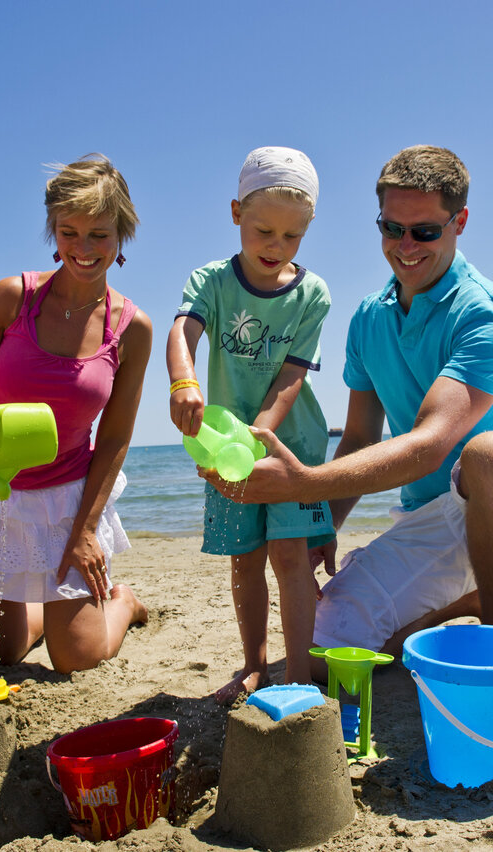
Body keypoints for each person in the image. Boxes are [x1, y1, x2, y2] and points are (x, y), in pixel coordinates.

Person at [203, 145, 493, 679]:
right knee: (325, 643)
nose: (405, 246)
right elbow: (358, 437)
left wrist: (302, 484)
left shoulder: (488, 314)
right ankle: (462, 604)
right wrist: (321, 525)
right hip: (430, 518)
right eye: (391, 228)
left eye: (424, 231)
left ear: (459, 222)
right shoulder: (368, 319)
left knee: (490, 454)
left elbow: (429, 445)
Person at [0, 155, 150, 673]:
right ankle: (47, 611)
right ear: (53, 230)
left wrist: (86, 529)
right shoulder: (11, 298)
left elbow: (114, 438)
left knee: (77, 659)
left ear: (122, 235)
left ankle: (122, 602)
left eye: (99, 236)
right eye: (69, 232)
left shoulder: (133, 329)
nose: (83, 250)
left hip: (63, 497)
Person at [168, 146, 333, 702]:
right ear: (236, 212)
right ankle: (253, 665)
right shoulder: (212, 283)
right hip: (224, 447)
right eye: (263, 230)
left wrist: (260, 436)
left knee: (290, 556)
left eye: (292, 237)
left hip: (290, 444)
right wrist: (184, 383)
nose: (275, 246)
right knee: (246, 559)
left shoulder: (312, 295)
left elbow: (291, 377)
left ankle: (300, 674)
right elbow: (183, 333)